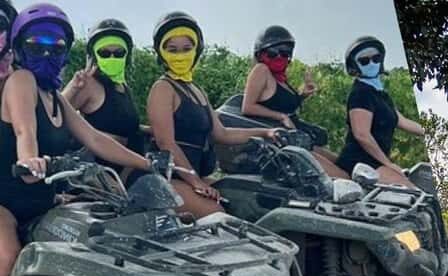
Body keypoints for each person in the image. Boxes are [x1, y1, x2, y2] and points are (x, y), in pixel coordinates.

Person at [0, 3, 169, 276]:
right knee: (7, 260)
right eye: (36, 46)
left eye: (56, 46)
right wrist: (30, 160)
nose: (47, 54)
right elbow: (24, 130)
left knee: (104, 237)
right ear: (19, 47)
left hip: (44, 200)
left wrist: (147, 163)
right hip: (6, 203)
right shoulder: (21, 81)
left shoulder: (53, 94)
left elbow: (94, 138)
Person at [146, 11, 278, 218]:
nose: (180, 55)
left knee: (246, 198)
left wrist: (267, 132)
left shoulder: (197, 90)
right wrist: (195, 182)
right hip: (166, 177)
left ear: (196, 50)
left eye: (186, 49)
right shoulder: (162, 88)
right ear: (161, 53)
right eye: (172, 49)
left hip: (193, 175)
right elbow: (166, 143)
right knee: (216, 214)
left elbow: (222, 134)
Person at [240, 25, 346, 178]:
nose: (279, 57)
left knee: (342, 163)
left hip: (298, 138)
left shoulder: (280, 78)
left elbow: (280, 102)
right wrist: (281, 116)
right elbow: (247, 107)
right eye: (273, 52)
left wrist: (302, 94)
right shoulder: (261, 70)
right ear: (261, 53)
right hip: (282, 142)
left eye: (285, 53)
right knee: (342, 177)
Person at [62, 18, 148, 186]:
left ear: (127, 55)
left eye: (118, 53)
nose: (112, 57)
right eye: (104, 53)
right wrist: (73, 88)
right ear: (93, 55)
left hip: (129, 170)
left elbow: (124, 125)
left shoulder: (123, 86)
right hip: (100, 176)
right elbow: (54, 121)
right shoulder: (89, 84)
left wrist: (152, 130)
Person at [334, 36, 424, 187]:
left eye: (376, 58)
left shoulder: (380, 93)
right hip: (359, 162)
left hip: (375, 162)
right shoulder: (361, 93)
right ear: (354, 66)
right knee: (413, 193)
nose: (372, 63)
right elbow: (362, 135)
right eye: (364, 61)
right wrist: (389, 164)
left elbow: (401, 121)